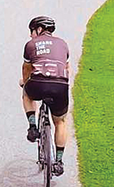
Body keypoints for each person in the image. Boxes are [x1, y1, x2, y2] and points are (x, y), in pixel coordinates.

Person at [20, 16, 71, 176]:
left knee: (26, 94)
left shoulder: (31, 44)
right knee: (61, 122)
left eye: (32, 31)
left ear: (39, 29)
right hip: (60, 86)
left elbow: (27, 69)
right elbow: (67, 68)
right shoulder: (63, 44)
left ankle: (33, 127)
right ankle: (59, 161)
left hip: (38, 83)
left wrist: (24, 82)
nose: (30, 35)